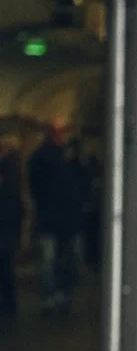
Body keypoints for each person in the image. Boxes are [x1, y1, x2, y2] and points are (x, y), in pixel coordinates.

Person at [27, 121, 80, 314]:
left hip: (51, 218)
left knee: (51, 260)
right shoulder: (63, 159)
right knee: (59, 259)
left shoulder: (40, 158)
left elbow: (35, 188)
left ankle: (53, 295)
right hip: (60, 219)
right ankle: (57, 294)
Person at [0, 136, 23, 318]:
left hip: (6, 226)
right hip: (8, 226)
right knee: (6, 267)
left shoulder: (9, 172)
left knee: (5, 267)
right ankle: (9, 305)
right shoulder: (14, 171)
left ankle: (8, 305)